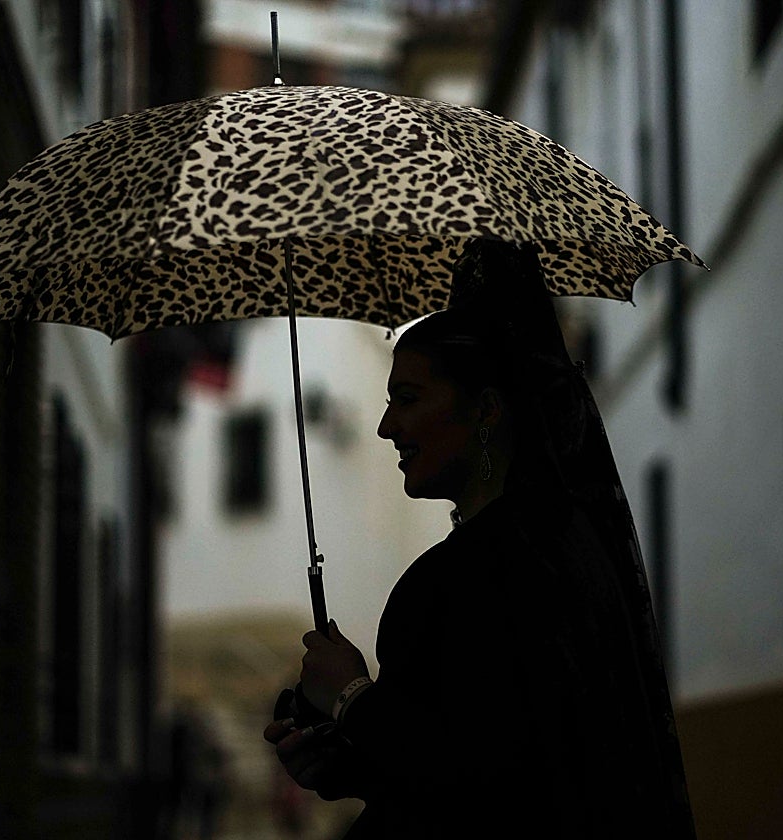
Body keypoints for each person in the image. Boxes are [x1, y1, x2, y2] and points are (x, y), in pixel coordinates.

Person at [263, 240, 697, 838]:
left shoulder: (494, 573)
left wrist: (352, 696)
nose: (387, 427)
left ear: (487, 409)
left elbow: (482, 783)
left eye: (408, 400)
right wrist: (340, 758)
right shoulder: (549, 545)